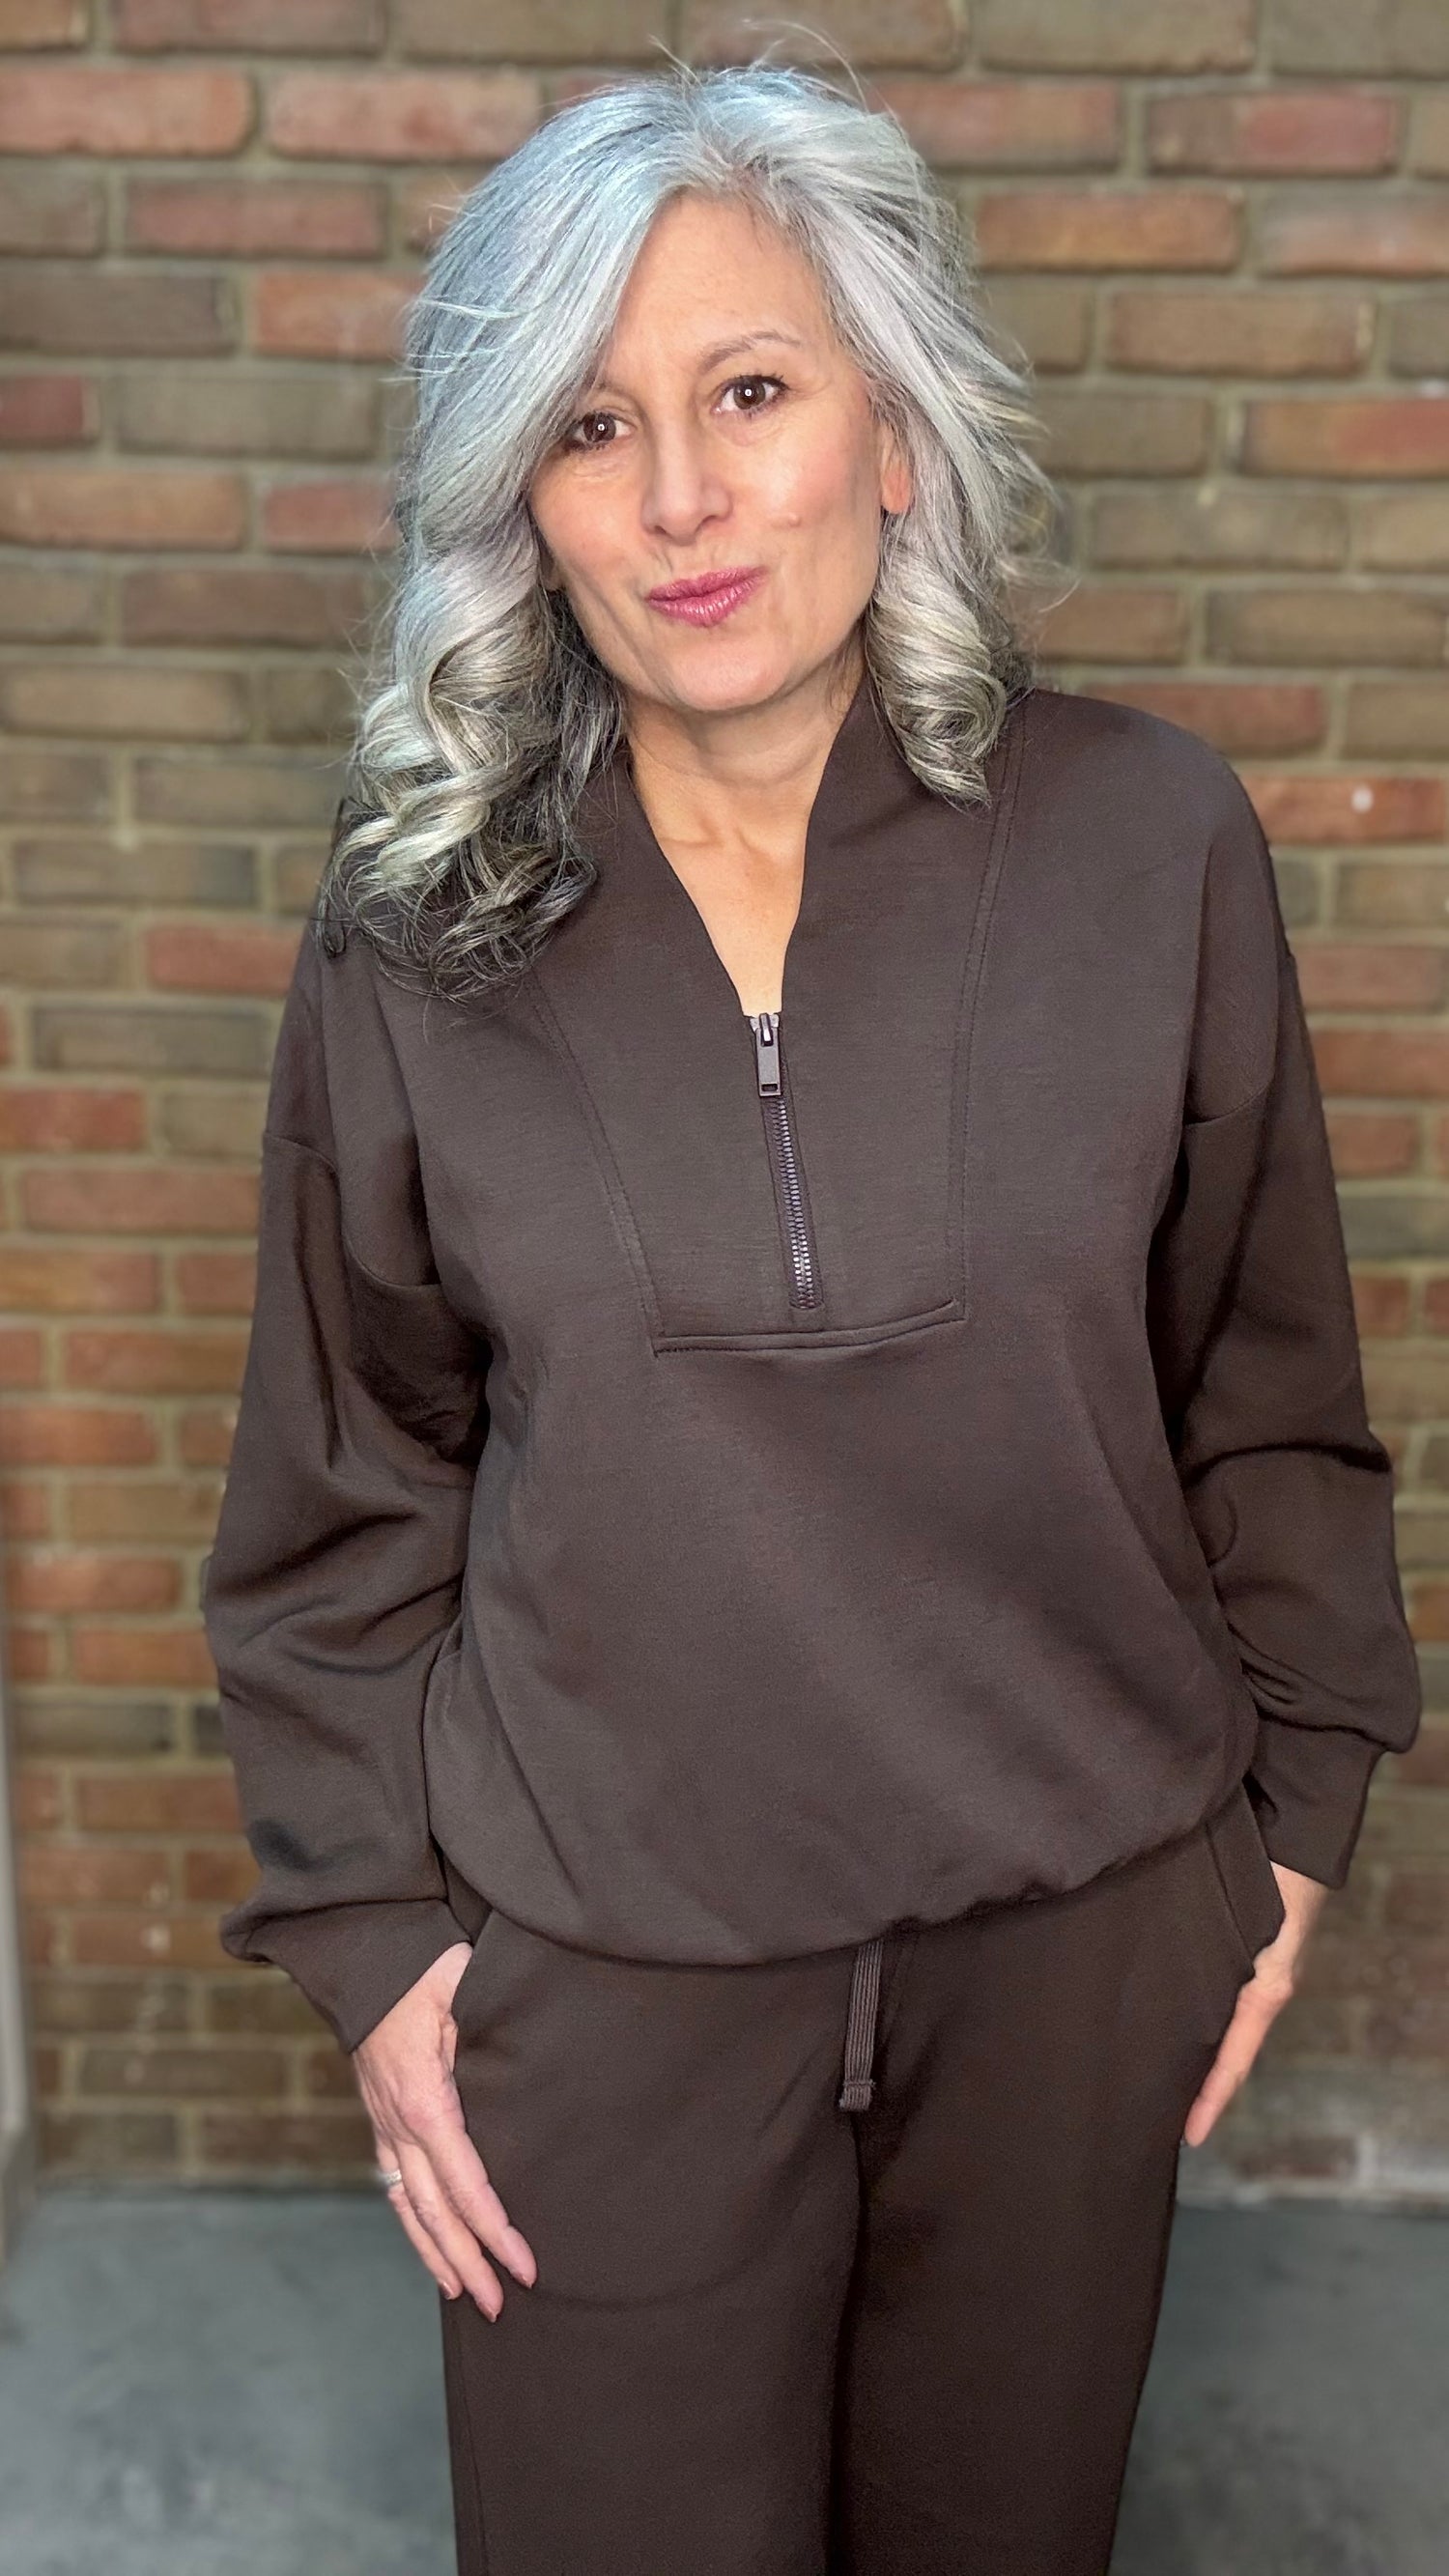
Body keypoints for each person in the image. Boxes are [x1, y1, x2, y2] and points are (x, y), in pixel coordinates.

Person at [202, 56, 1422, 2576]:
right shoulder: (417, 937)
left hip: (1074, 1940)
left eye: (749, 392)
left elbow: (1268, 1399)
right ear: (516, 507)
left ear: (891, 431)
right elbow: (342, 1490)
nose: (678, 499)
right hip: (605, 1968)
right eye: (587, 425)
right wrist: (378, 1940)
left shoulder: (1145, 844)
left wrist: (1283, 1834)